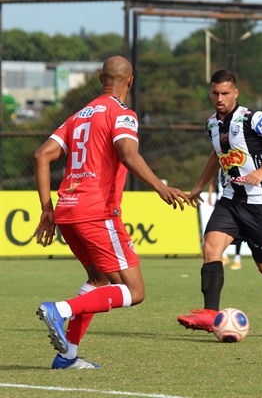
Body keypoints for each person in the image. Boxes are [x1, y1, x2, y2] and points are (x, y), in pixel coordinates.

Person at [33, 56, 193, 369]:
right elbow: (128, 154)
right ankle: (59, 310)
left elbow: (41, 156)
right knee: (135, 291)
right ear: (130, 82)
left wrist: (46, 209)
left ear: (99, 79)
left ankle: (67, 356)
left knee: (98, 280)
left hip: (67, 212)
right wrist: (161, 187)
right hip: (96, 212)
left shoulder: (78, 116)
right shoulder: (122, 114)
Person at [177, 69, 262, 338]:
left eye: (225, 93)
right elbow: (217, 155)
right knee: (210, 246)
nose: (219, 98)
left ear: (235, 93)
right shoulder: (211, 125)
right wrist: (198, 185)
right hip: (230, 199)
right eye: (215, 93)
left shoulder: (252, 118)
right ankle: (210, 313)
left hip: (260, 202)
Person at [208, 169, 243, 270]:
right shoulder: (220, 158)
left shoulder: (236, 160)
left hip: (235, 199)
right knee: (218, 229)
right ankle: (224, 256)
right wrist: (210, 194)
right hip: (221, 199)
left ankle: (237, 259)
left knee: (239, 229)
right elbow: (213, 178)